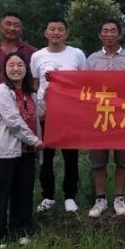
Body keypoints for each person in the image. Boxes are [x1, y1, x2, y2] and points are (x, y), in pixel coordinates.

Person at [30, 18, 87, 213]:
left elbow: (84, 82)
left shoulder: (77, 54)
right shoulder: (37, 56)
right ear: (46, 33)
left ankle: (70, 196)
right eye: (52, 29)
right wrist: (42, 104)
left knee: (71, 157)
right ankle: (48, 196)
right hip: (45, 114)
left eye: (60, 29)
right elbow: (35, 84)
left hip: (70, 114)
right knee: (46, 157)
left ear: (66, 33)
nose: (56, 33)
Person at [0, 52, 43, 247]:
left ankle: (21, 231)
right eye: (11, 65)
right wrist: (34, 140)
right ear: (5, 69)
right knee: (1, 193)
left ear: (26, 69)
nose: (16, 69)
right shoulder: (2, 91)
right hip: (5, 151)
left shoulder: (31, 94)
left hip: (27, 152)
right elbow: (13, 121)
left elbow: (41, 114)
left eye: (20, 65)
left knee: (24, 192)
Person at [85, 19, 125, 218]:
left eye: (113, 31)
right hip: (99, 115)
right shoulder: (91, 59)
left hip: (124, 115)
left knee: (123, 160)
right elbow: (84, 86)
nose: (109, 34)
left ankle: (119, 198)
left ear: (120, 34)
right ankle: (100, 199)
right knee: (98, 161)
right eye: (105, 31)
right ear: (100, 35)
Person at [0, 12, 37, 146]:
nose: (12, 28)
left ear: (21, 29)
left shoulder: (32, 53)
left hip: (25, 114)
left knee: (27, 152)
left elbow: (35, 82)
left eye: (16, 25)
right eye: (8, 24)